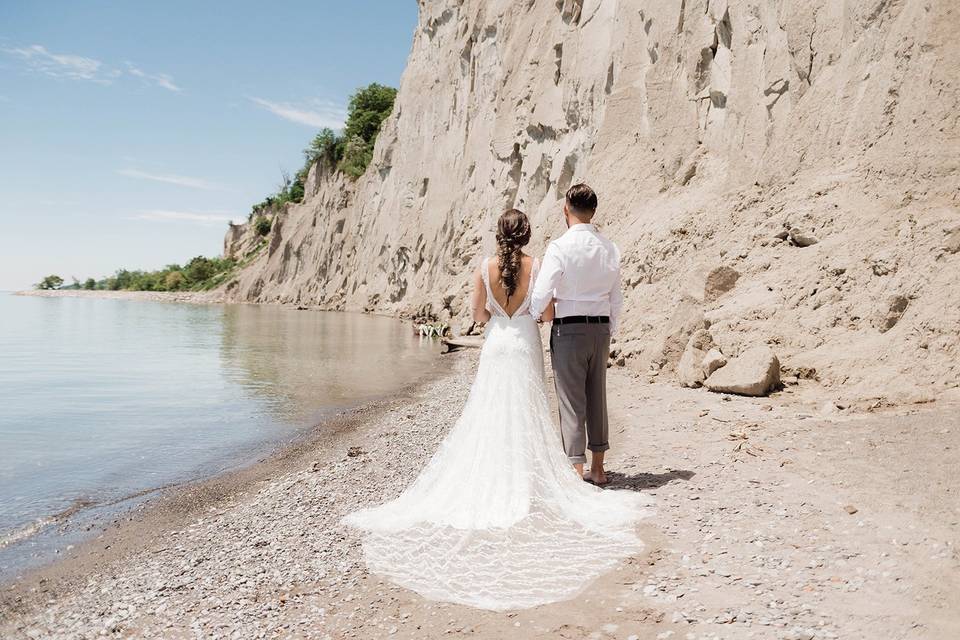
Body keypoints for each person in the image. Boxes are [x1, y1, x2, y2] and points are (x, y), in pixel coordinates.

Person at [343, 208, 652, 611]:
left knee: (490, 416)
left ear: (499, 234)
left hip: (497, 344)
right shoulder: (537, 264)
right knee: (526, 413)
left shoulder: (484, 266)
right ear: (526, 234)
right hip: (524, 343)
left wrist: (496, 314)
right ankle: (531, 480)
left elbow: (477, 315)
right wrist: (532, 313)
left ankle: (492, 477)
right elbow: (544, 312)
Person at [530, 183, 622, 486]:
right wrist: (610, 329)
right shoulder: (610, 247)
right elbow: (615, 298)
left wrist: (532, 316)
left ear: (565, 209)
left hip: (569, 329)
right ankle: (598, 468)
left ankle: (575, 471)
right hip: (600, 329)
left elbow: (542, 291)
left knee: (570, 401)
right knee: (598, 397)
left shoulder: (559, 247)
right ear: (593, 212)